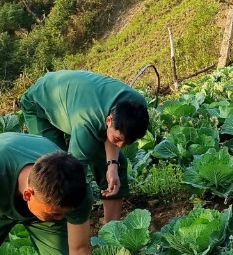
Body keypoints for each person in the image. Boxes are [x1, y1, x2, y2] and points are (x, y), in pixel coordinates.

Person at [19, 70, 150, 223]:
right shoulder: (87, 124)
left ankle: (113, 230)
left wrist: (112, 165)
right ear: (108, 120)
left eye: (127, 142)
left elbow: (112, 138)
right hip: (39, 102)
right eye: (118, 139)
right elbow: (73, 172)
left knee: (118, 165)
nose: (121, 145)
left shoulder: (137, 106)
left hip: (74, 97)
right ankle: (60, 226)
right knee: (57, 173)